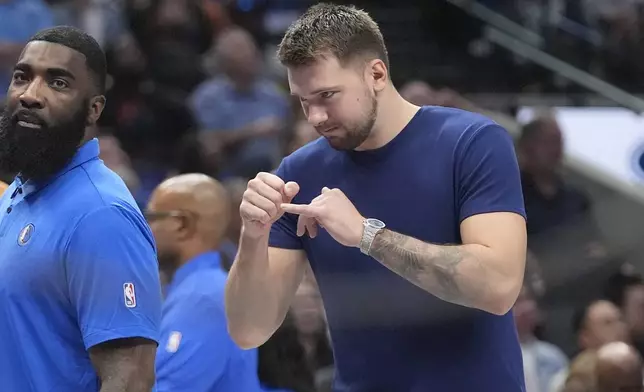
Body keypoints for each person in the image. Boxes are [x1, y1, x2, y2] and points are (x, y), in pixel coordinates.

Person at [225, 3, 527, 392]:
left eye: (327, 95)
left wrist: (368, 235)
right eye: (303, 100)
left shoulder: (471, 143)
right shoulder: (298, 174)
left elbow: (499, 286)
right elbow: (249, 330)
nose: (314, 117)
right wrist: (253, 235)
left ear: (377, 74)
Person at [0, 26, 161, 391]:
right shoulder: (21, 190)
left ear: (94, 109)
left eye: (58, 83)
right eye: (22, 77)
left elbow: (130, 378)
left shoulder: (100, 214)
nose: (30, 95)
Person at [147, 173, 262, 392]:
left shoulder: (202, 296)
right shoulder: (201, 288)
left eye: (151, 218)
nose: (146, 230)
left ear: (182, 224)